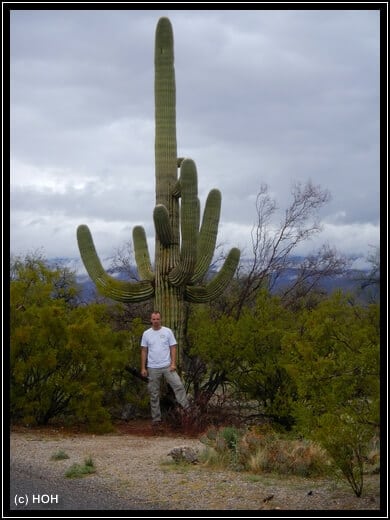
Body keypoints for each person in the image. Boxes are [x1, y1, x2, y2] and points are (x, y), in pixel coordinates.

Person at [140, 311, 189, 426]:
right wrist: (143, 367)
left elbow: (173, 347)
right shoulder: (146, 334)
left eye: (158, 319)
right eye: (154, 319)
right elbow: (144, 350)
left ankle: (188, 411)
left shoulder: (167, 332)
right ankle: (156, 420)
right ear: (151, 320)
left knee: (178, 386)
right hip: (152, 367)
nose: (156, 321)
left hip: (167, 366)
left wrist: (173, 363)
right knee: (154, 393)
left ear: (160, 319)